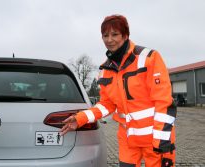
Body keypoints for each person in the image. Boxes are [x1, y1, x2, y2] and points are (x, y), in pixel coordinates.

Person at [60, 14, 177, 167]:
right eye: (105, 35)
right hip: (127, 141)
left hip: (155, 140)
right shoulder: (105, 70)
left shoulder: (148, 58)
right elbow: (106, 105)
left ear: (125, 35)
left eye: (115, 34)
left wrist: (162, 141)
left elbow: (164, 102)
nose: (109, 40)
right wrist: (80, 118)